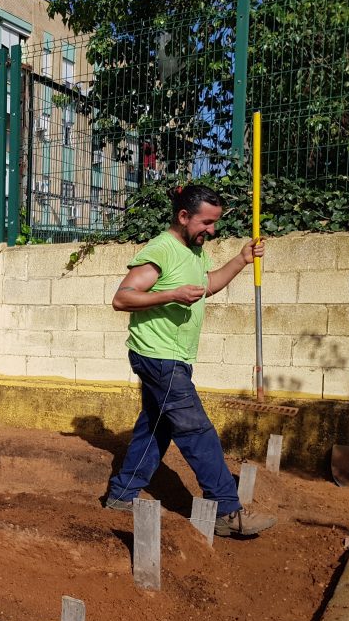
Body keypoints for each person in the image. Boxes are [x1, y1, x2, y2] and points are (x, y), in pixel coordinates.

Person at [104, 185, 277, 538]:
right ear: (183, 217)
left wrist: (242, 260)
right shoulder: (162, 249)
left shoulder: (195, 252)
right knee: (196, 430)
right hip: (157, 355)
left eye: (215, 223)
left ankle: (121, 494)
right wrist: (171, 295)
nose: (212, 231)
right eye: (207, 222)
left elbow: (207, 285)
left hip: (176, 357)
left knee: (157, 426)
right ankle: (227, 511)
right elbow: (122, 298)